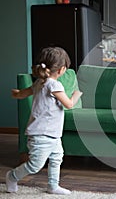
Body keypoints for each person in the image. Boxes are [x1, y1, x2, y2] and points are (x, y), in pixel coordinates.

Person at [6, 47, 82, 195]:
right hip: (41, 133)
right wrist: (76, 94)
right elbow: (69, 104)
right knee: (35, 165)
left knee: (56, 158)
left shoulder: (39, 83)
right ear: (61, 70)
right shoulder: (54, 85)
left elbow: (24, 93)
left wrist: (17, 94)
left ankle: (53, 186)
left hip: (52, 133)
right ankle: (12, 176)